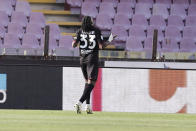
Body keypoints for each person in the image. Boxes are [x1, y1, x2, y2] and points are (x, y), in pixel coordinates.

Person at [72, 16, 115, 114]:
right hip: (92, 58)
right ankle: (79, 103)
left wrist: (77, 40)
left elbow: (73, 45)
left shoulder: (79, 31)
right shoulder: (96, 30)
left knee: (87, 82)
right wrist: (110, 40)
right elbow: (101, 46)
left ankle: (88, 107)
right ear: (90, 22)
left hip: (82, 59)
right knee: (92, 83)